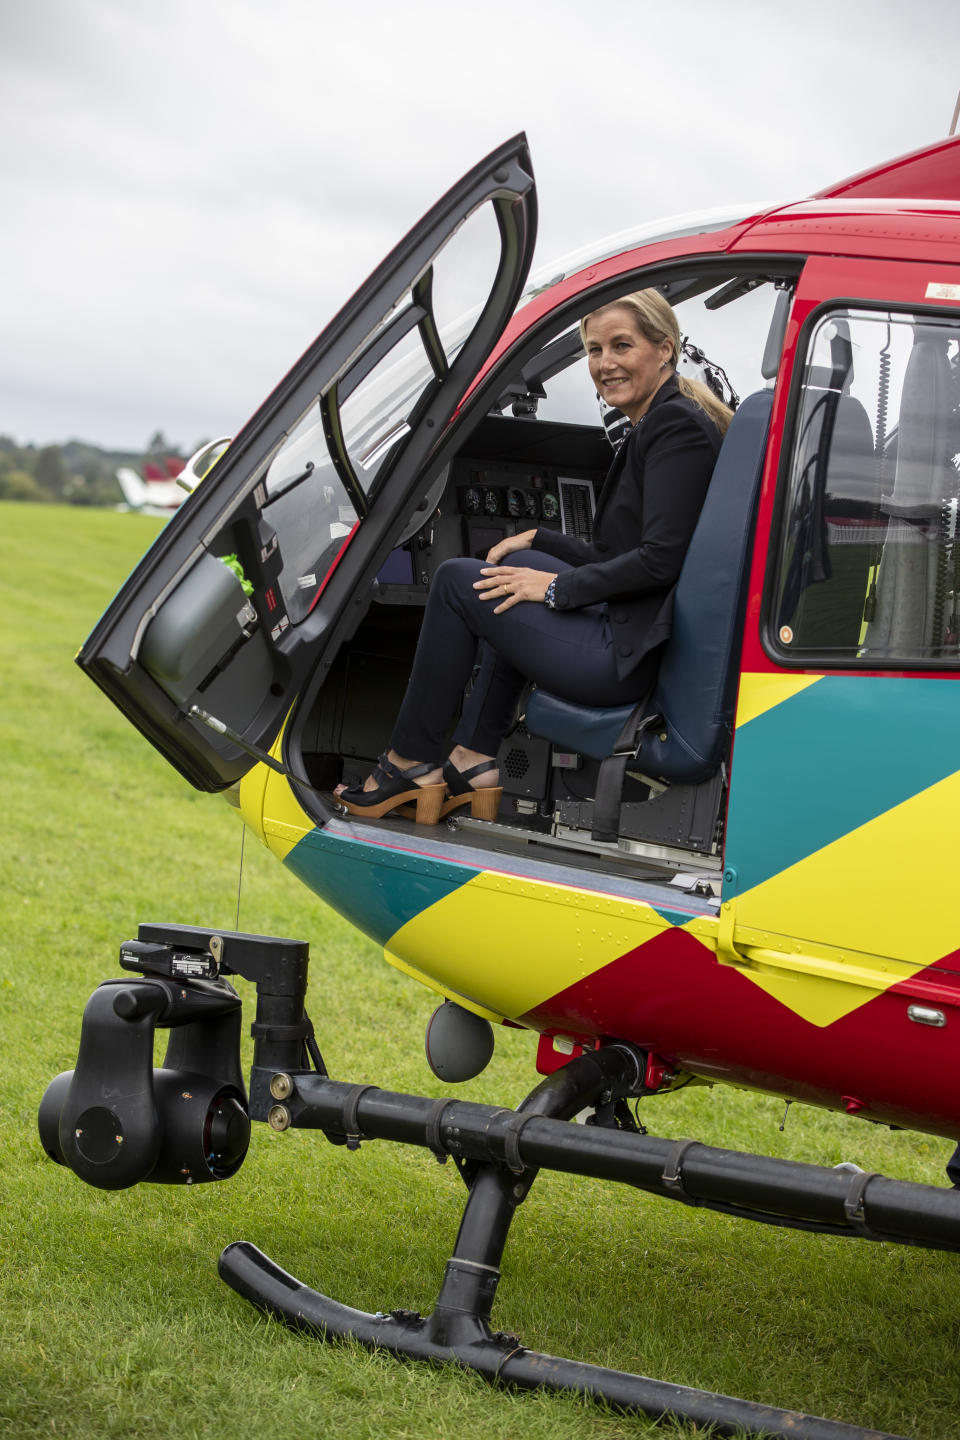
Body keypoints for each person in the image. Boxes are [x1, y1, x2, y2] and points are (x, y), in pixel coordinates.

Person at [336, 288, 732, 825]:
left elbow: (660, 561)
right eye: (594, 350)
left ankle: (407, 764)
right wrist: (541, 541)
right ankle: (473, 758)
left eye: (621, 345)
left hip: (623, 657)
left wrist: (551, 588)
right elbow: (616, 556)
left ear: (664, 349)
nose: (605, 363)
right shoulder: (662, 420)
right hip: (632, 635)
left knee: (456, 580)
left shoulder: (674, 427)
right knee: (506, 576)